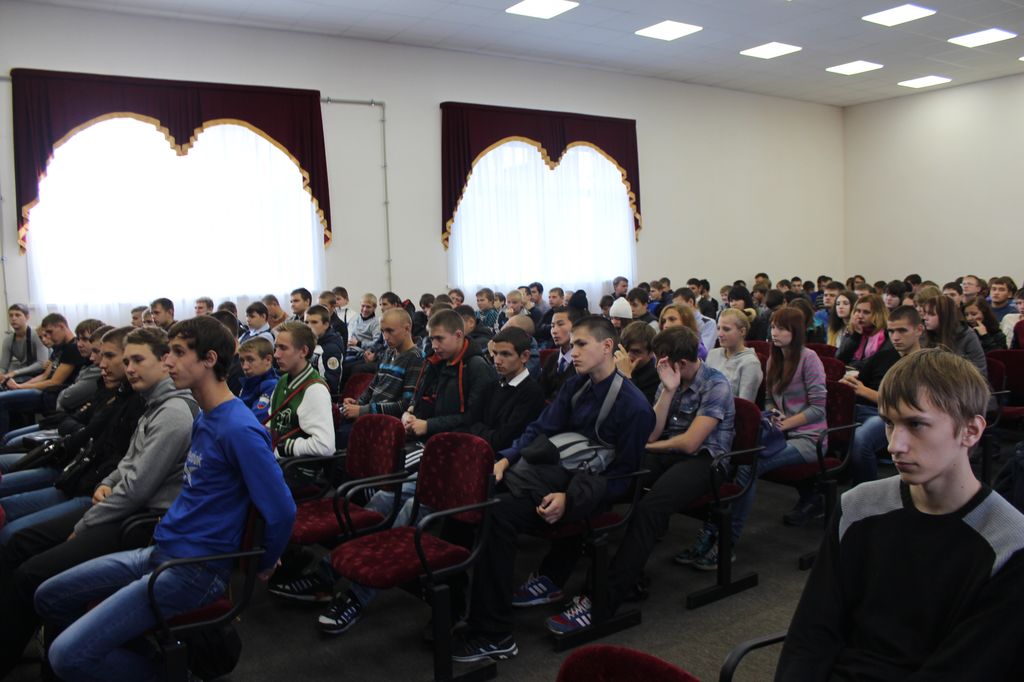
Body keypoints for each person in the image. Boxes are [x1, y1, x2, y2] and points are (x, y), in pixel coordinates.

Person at [33, 316, 296, 682]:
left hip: (193, 571)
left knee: (66, 656)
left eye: (178, 352)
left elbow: (282, 509)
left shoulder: (239, 429)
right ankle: (150, 661)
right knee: (48, 596)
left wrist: (263, 563)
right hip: (161, 551)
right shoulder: (205, 418)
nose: (168, 361)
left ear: (209, 359)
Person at [776, 349, 1024, 681]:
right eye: (890, 423)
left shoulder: (1010, 545)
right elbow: (812, 632)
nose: (895, 444)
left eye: (916, 424)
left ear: (971, 430)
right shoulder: (858, 505)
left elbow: (962, 668)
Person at [452, 316, 655, 663]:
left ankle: (494, 633)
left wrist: (570, 500)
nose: (572, 352)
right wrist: (506, 458)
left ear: (607, 346)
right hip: (554, 477)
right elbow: (540, 428)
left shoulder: (634, 406)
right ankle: (457, 608)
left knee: (498, 515)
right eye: (572, 345)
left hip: (586, 493)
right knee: (479, 496)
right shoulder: (576, 385)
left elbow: (625, 480)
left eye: (581, 344)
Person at [544, 325, 735, 631]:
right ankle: (553, 574)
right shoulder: (668, 378)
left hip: (707, 461)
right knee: (607, 479)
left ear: (681, 363)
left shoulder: (716, 384)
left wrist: (647, 448)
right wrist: (668, 391)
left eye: (664, 361)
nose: (658, 365)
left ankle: (602, 598)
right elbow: (652, 432)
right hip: (667, 452)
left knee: (650, 508)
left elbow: (690, 444)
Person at [732, 308, 827, 548]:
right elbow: (768, 399)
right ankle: (718, 533)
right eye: (773, 327)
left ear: (796, 332)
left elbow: (818, 409)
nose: (775, 332)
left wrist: (785, 423)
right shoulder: (774, 359)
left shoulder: (810, 359)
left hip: (809, 438)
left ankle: (726, 540)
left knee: (750, 465)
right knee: (740, 456)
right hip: (781, 433)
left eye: (782, 328)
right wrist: (773, 413)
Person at [843, 305, 925, 486]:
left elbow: (908, 405)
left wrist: (864, 391)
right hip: (866, 409)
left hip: (895, 416)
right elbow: (860, 381)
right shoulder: (884, 356)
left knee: (861, 440)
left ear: (919, 330)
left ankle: (866, 492)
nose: (895, 337)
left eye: (902, 331)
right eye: (891, 331)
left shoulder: (925, 364)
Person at [336, 307, 424, 447]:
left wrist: (362, 410)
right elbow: (373, 386)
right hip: (370, 416)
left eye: (390, 331)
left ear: (407, 329)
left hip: (384, 423)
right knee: (331, 419)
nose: (385, 337)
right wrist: (357, 404)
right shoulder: (389, 352)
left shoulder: (416, 358)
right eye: (383, 331)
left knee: (335, 438)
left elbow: (405, 405)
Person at [0, 313, 86, 438]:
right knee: (6, 395)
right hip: (44, 391)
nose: (48, 337)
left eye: (50, 332)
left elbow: (54, 382)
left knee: (2, 399)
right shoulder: (59, 348)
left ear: (61, 326)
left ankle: (3, 442)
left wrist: (19, 387)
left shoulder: (72, 348)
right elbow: (44, 376)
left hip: (52, 395)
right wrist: (19, 386)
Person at [267, 322, 334, 460]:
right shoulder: (283, 380)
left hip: (294, 467)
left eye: (283, 348)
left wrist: (284, 447)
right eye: (276, 348)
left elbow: (325, 446)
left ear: (303, 351)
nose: (276, 355)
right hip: (275, 460)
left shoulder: (315, 390)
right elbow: (272, 424)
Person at [917, 291, 987, 380]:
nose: (925, 318)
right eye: (925, 314)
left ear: (944, 315)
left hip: (962, 385)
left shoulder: (967, 336)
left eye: (931, 314)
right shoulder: (923, 335)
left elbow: (980, 373)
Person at [705, 308, 763, 403]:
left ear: (742, 332)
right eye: (718, 328)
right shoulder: (712, 354)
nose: (720, 334)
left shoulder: (750, 363)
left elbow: (745, 404)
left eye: (726, 329)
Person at [539, 306, 581, 400]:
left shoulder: (583, 361)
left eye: (560, 324)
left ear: (576, 327)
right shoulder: (551, 359)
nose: (554, 331)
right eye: (552, 326)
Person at [0, 304, 48, 384]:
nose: (13, 318)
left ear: (27, 317)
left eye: (17, 315)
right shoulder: (8, 340)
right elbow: (3, 367)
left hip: (41, 375)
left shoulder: (38, 335)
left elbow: (42, 364)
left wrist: (15, 372)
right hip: (24, 375)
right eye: (11, 315)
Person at [614, 321, 659, 404]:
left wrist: (626, 377)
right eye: (625, 349)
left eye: (636, 352)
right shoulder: (614, 364)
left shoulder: (656, 376)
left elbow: (640, 408)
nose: (628, 356)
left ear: (651, 353)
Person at [837, 294, 887, 365]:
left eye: (866, 312)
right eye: (858, 311)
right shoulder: (851, 331)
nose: (860, 316)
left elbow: (875, 363)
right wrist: (856, 335)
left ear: (878, 314)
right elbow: (839, 358)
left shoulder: (885, 334)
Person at [305, 304, 345, 394]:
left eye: (314, 322)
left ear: (326, 325)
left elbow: (331, 384)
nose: (309, 326)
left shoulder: (331, 349)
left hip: (321, 395)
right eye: (306, 322)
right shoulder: (310, 342)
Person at [238, 337, 279, 422]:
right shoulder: (248, 383)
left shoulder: (273, 386)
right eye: (242, 361)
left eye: (250, 360)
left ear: (268, 360)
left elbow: (256, 421)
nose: (245, 367)